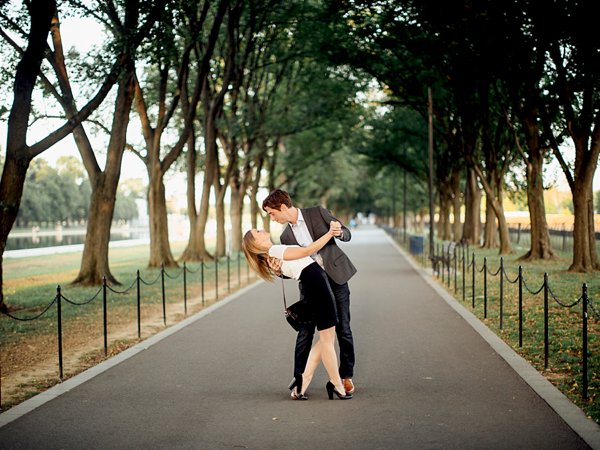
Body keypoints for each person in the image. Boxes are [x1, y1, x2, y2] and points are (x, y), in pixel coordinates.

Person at [262, 189, 357, 395]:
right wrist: (280, 272)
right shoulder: (285, 236)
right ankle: (299, 378)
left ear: (283, 207)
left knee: (343, 328)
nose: (272, 218)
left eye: (272, 213)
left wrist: (339, 231)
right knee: (305, 332)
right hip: (311, 286)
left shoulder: (318, 213)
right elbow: (293, 267)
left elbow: (347, 233)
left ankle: (345, 376)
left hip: (336, 278)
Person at [242, 223, 352, 400]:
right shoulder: (275, 251)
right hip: (317, 287)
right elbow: (306, 251)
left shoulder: (274, 253)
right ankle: (336, 385)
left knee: (328, 339)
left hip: (317, 285)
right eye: (257, 232)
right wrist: (330, 233)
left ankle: (303, 382)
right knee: (327, 340)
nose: (262, 229)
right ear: (255, 243)